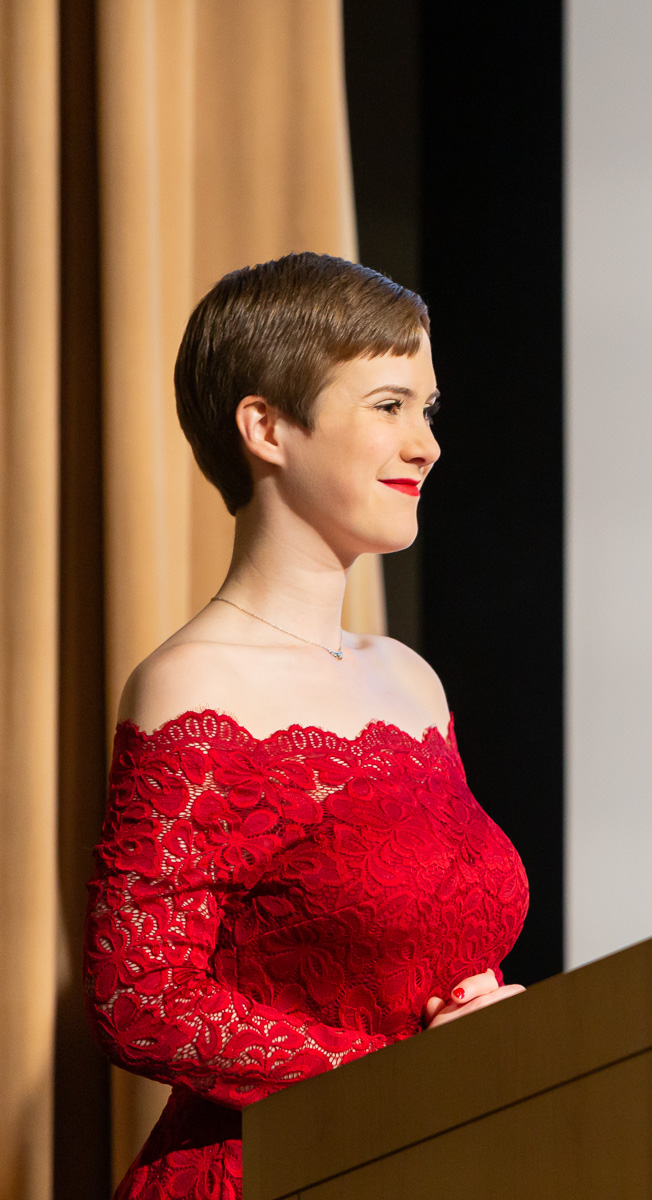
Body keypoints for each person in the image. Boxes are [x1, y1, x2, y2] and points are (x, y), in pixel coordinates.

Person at [86, 253, 528, 1200]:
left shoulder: (410, 678)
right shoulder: (190, 686)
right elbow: (139, 1000)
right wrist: (404, 1077)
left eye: (428, 411)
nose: (427, 446)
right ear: (267, 427)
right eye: (388, 406)